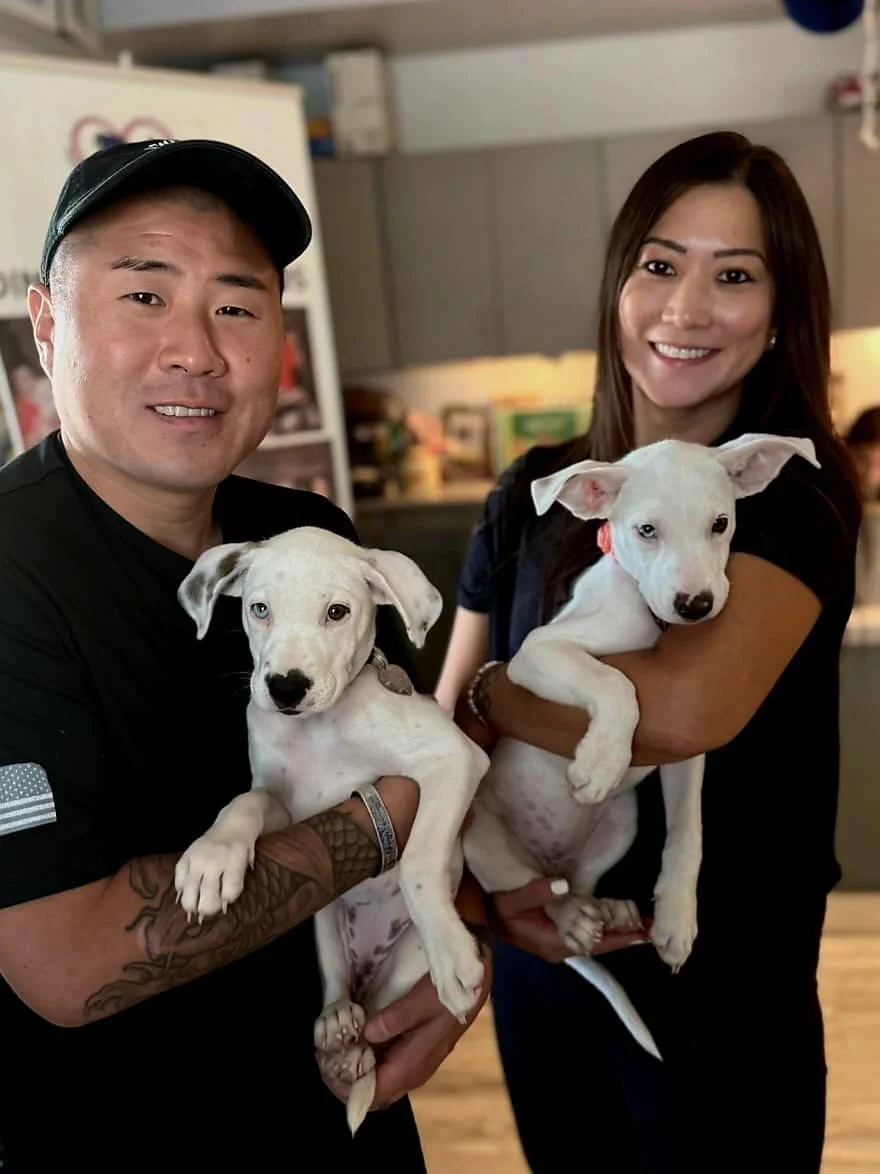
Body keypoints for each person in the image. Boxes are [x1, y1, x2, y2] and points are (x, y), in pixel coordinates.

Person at [0, 138, 555, 1173]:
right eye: (144, 295)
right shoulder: (12, 573)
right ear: (45, 321)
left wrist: (448, 953)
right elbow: (68, 963)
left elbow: (404, 739)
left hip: (348, 1113)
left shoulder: (303, 528)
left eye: (238, 305)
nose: (197, 351)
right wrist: (388, 813)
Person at [436, 130, 861, 1174]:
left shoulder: (784, 499)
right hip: (549, 959)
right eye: (659, 265)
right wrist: (484, 902)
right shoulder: (533, 489)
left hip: (724, 987)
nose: (685, 308)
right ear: (618, 286)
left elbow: (676, 715)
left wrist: (500, 692)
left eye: (733, 275)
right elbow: (444, 731)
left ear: (777, 315)